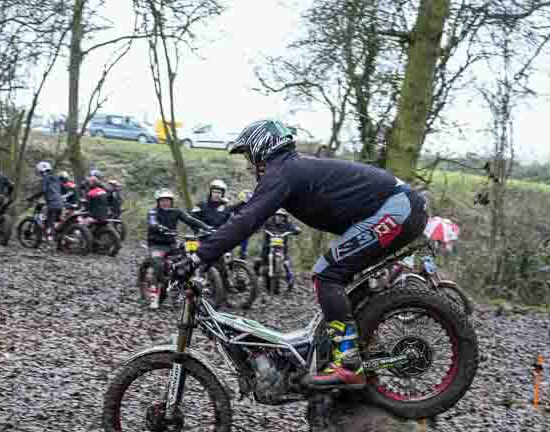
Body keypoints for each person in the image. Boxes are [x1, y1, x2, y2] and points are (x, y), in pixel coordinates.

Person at [173, 119, 428, 388]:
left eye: (249, 156)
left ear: (263, 146)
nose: (249, 165)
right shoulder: (291, 168)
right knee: (342, 278)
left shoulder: (283, 171)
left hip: (398, 208)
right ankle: (363, 346)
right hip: (402, 206)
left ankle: (349, 362)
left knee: (327, 274)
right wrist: (208, 249)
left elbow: (248, 220)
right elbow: (246, 216)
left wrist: (198, 257)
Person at [146, 188, 212, 309]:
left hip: (172, 244)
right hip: (156, 244)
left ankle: (176, 291)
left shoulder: (176, 212)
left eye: (168, 200)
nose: (165, 203)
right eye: (163, 200)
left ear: (171, 201)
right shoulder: (153, 212)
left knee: (185, 263)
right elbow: (152, 222)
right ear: (158, 201)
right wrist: (160, 228)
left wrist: (207, 227)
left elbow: (190, 220)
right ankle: (154, 297)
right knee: (158, 266)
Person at [254, 208, 301, 291]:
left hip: (282, 249)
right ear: (274, 216)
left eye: (282, 216)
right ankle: (255, 277)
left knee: (286, 264)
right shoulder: (269, 222)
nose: (279, 218)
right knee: (258, 262)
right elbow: (261, 225)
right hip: (267, 249)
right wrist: (258, 228)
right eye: (278, 216)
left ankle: (290, 281)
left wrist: (296, 230)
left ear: (285, 217)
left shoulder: (287, 224)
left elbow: (295, 229)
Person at [26, 161, 62, 240]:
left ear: (41, 170)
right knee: (51, 221)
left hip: (52, 203)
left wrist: (31, 197)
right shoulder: (56, 178)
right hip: (60, 203)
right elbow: (56, 191)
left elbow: (43, 190)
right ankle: (51, 235)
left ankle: (48, 236)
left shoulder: (45, 178)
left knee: (47, 220)